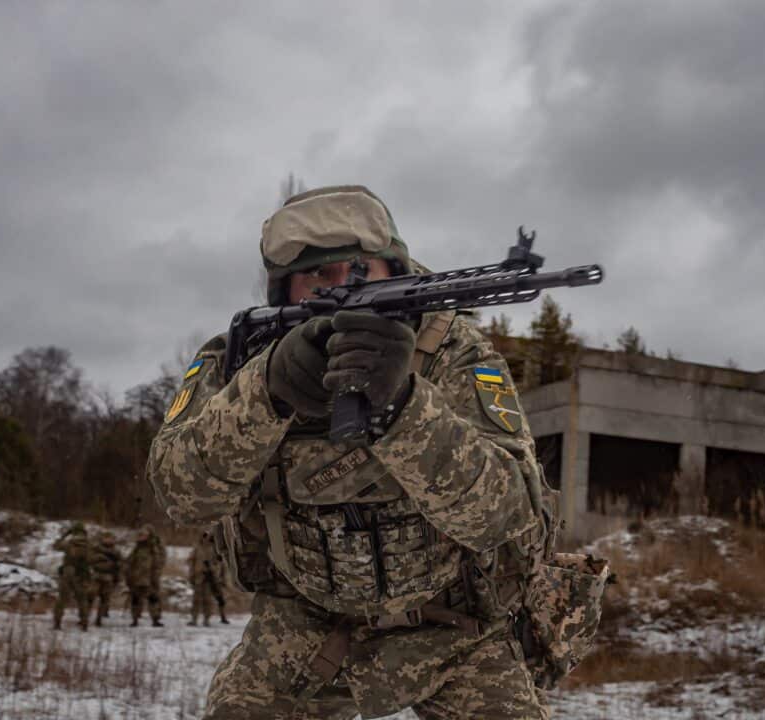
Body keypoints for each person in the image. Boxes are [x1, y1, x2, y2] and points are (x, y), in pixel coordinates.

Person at [147, 185, 552, 719]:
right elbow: (180, 495)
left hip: (453, 626)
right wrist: (266, 392)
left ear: (392, 271)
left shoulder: (452, 350)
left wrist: (402, 407)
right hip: (303, 622)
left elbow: (506, 514)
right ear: (283, 290)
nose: (341, 288)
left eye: (360, 270)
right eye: (317, 275)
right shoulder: (239, 358)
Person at [52, 522, 93, 631]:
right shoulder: (90, 544)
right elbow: (92, 560)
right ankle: (84, 623)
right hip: (82, 573)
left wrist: (65, 535)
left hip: (68, 571)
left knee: (62, 599)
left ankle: (57, 623)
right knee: (82, 599)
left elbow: (55, 546)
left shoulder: (70, 543)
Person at [125, 526, 163, 627]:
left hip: (149, 579)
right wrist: (129, 576)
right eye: (140, 535)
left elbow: (157, 564)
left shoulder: (152, 548)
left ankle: (155, 620)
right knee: (135, 599)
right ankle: (135, 620)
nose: (141, 537)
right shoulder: (136, 549)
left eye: (143, 535)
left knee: (153, 599)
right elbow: (129, 563)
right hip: (136, 578)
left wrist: (155, 578)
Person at [188, 529, 226, 626]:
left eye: (207, 536)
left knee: (207, 600)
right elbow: (191, 561)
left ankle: (206, 619)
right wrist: (192, 574)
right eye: (204, 536)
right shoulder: (197, 547)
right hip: (198, 576)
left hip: (210, 577)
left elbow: (220, 563)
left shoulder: (215, 548)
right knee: (196, 599)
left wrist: (213, 568)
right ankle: (194, 619)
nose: (205, 538)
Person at [90, 532, 122, 627]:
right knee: (90, 596)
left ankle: (99, 619)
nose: (108, 540)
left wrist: (117, 577)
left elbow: (120, 565)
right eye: (106, 538)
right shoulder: (96, 549)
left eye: (110, 538)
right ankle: (84, 617)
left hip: (109, 577)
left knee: (104, 599)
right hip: (96, 575)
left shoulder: (116, 552)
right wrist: (98, 558)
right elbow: (90, 560)